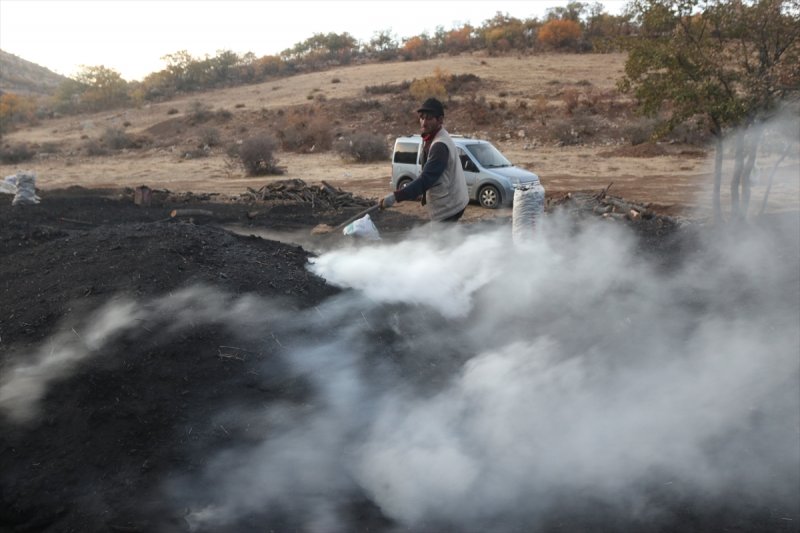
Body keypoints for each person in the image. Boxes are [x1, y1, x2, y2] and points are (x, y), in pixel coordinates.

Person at [379, 97, 469, 222]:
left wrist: (395, 196)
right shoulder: (429, 137)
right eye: (422, 117)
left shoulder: (439, 146)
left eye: (429, 118)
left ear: (440, 120)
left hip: (449, 206)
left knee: (441, 240)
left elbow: (426, 179)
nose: (424, 122)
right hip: (450, 201)